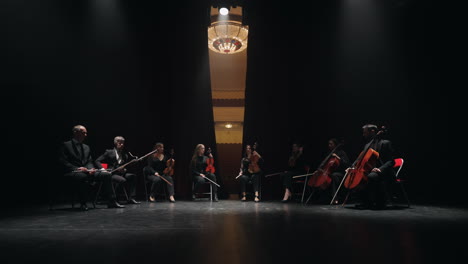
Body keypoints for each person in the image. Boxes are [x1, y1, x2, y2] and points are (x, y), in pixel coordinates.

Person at [58, 125, 123, 210]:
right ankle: (83, 203)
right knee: (82, 176)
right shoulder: (65, 145)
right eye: (83, 133)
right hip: (73, 172)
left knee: (106, 175)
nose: (85, 135)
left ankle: (112, 201)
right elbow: (63, 161)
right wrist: (77, 168)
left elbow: (89, 161)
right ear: (75, 132)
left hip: (86, 171)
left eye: (86, 133)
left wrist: (91, 169)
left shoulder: (86, 147)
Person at [351, 124, 396, 210]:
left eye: (365, 132)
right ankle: (365, 201)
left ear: (372, 131)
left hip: (385, 172)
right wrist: (353, 166)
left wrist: (380, 169)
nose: (363, 135)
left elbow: (391, 161)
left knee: (371, 176)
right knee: (360, 177)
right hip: (371, 170)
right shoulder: (367, 145)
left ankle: (379, 202)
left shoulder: (385, 143)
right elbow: (359, 159)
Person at [95, 136, 141, 205]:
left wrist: (127, 167)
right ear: (115, 143)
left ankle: (131, 198)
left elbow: (126, 165)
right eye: (120, 143)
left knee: (133, 176)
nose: (122, 144)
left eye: (123, 143)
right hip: (112, 173)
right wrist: (103, 170)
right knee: (122, 180)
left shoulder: (125, 154)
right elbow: (97, 161)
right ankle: (114, 199)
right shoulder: (109, 152)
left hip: (122, 173)